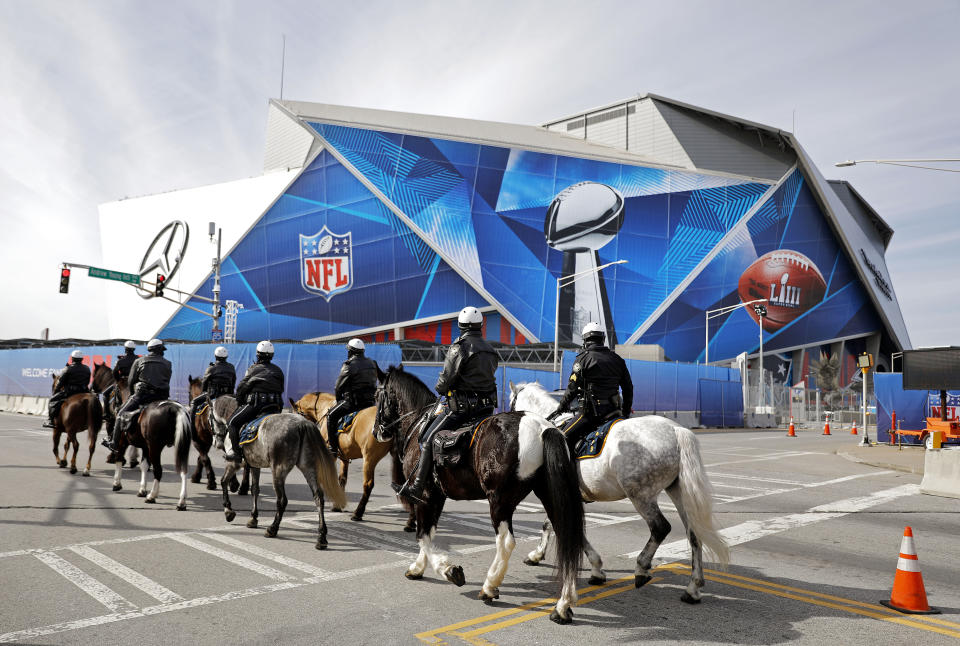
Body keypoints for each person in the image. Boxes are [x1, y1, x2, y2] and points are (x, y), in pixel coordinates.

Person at [395, 307, 498, 505]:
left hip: (461, 409)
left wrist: (441, 387)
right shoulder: (490, 350)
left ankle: (417, 486)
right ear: (480, 325)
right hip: (485, 410)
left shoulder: (459, 347)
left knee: (427, 438)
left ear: (461, 325)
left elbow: (445, 382)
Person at [550, 321, 633, 449]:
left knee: (559, 441)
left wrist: (562, 406)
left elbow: (572, 388)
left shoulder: (583, 359)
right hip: (614, 413)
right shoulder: (617, 359)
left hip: (589, 415)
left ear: (585, 340)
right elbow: (628, 388)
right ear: (602, 339)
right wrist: (626, 413)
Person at [101, 339, 172, 452]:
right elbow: (166, 381)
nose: (163, 352)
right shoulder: (168, 363)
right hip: (161, 396)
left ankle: (114, 443)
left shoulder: (138, 361)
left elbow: (131, 381)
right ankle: (170, 438)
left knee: (119, 414)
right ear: (159, 350)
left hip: (143, 395)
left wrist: (132, 395)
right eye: (162, 350)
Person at [225, 340, 284, 462]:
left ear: (258, 354)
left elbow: (241, 389)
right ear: (272, 355)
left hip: (257, 405)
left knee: (232, 423)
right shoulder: (278, 370)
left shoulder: (253, 369)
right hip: (275, 406)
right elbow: (281, 389)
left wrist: (240, 402)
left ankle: (236, 453)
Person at [325, 338, 381, 458]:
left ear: (350, 351)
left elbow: (338, 387)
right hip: (370, 403)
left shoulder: (349, 365)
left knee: (330, 415)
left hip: (352, 403)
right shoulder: (372, 363)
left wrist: (339, 400)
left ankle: (333, 449)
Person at [44, 350, 91, 428]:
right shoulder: (87, 369)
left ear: (72, 359)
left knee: (52, 400)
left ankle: (51, 420)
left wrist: (56, 392)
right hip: (84, 391)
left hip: (70, 391)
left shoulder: (67, 369)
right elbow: (87, 381)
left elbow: (60, 383)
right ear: (82, 359)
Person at [190, 346, 236, 423]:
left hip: (213, 395)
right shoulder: (231, 367)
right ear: (226, 357)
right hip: (228, 395)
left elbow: (204, 383)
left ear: (215, 356)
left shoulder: (211, 368)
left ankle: (191, 429)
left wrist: (204, 392)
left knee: (194, 402)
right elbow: (233, 382)